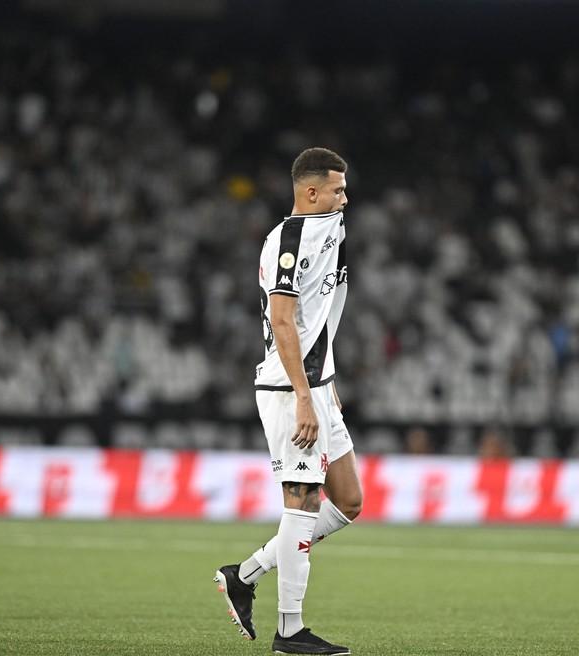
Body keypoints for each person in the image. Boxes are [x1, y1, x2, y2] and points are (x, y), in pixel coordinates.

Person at [215, 148, 361, 655]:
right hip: (288, 387)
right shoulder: (289, 239)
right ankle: (290, 631)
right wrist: (303, 396)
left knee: (348, 502)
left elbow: (321, 314)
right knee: (301, 499)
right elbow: (283, 321)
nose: (346, 198)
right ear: (311, 191)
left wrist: (327, 383)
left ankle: (245, 574)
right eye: (338, 190)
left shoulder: (332, 229)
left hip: (319, 384)